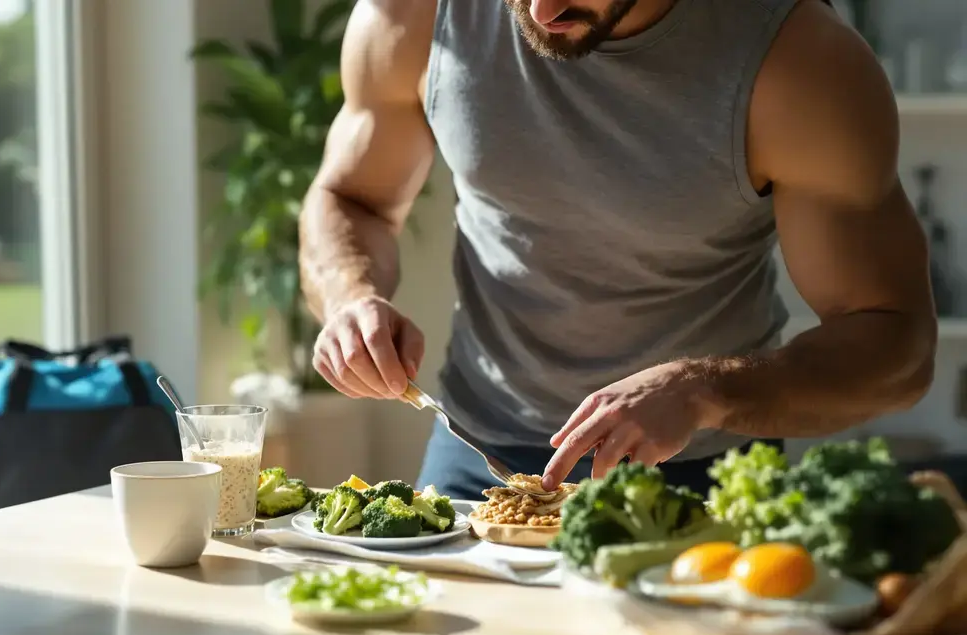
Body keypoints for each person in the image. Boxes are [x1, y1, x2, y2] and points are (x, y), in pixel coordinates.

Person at [298, 0, 937, 500]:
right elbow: (351, 198)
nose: (542, 13)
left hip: (699, 469)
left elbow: (897, 344)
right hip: (474, 454)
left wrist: (704, 389)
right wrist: (350, 297)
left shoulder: (797, 62)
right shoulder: (414, 17)